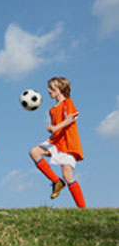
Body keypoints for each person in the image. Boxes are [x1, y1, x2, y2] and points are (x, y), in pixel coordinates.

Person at [28, 77, 85, 208]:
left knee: (67, 175)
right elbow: (56, 127)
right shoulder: (52, 110)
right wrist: (53, 132)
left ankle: (82, 208)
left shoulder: (67, 103)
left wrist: (55, 128)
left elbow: (71, 118)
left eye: (51, 88)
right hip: (56, 141)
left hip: (68, 142)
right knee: (34, 152)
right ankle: (56, 181)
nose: (48, 91)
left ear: (60, 89)